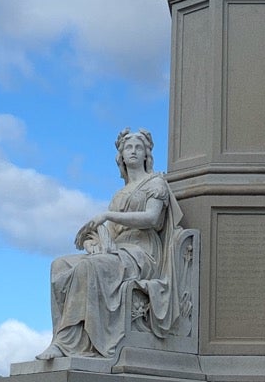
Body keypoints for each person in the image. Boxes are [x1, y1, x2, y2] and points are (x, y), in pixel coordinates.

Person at [39, 129, 187, 361]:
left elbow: (151, 218)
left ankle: (66, 343)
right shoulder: (120, 193)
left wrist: (108, 215)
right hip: (117, 250)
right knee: (60, 264)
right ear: (122, 156)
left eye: (139, 147)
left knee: (90, 268)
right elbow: (109, 233)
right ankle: (65, 337)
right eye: (129, 148)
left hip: (142, 253)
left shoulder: (156, 183)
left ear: (147, 154)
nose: (134, 151)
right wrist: (93, 243)